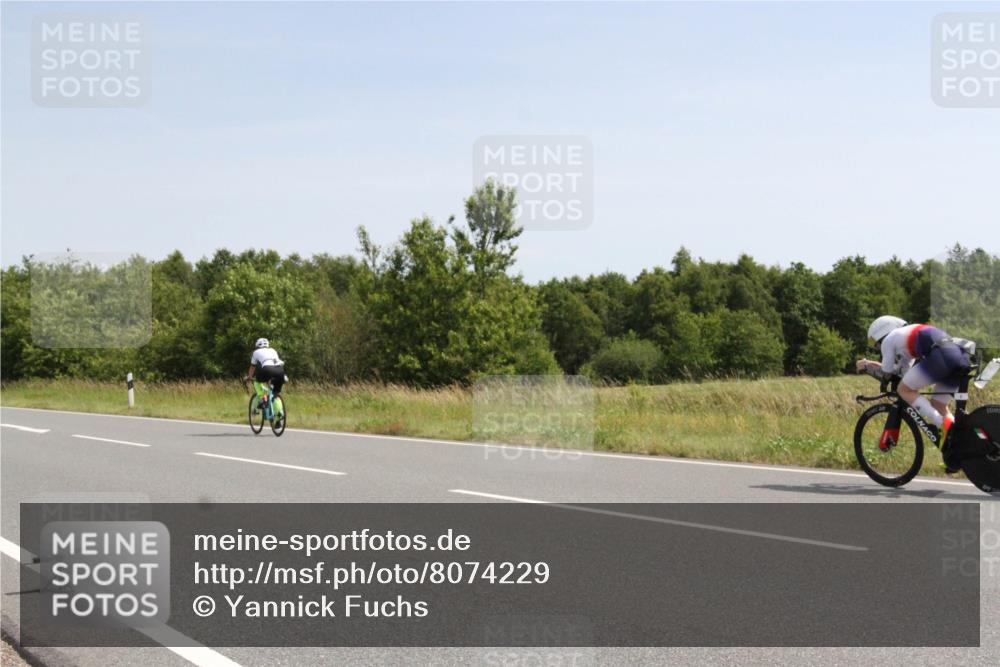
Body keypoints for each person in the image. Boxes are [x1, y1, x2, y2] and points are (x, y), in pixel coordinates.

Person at [856, 316, 972, 445]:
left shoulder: (889, 339)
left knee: (903, 390)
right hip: (959, 356)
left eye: (874, 343)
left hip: (942, 356)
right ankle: (957, 444)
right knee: (939, 405)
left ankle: (942, 423)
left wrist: (868, 365)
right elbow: (902, 372)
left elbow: (887, 371)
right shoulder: (906, 339)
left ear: (881, 333)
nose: (876, 347)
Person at [246, 338, 286, 415]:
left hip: (267, 369)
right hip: (280, 371)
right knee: (275, 395)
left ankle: (263, 399)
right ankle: (279, 415)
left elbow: (253, 366)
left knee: (256, 381)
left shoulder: (256, 352)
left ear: (257, 345)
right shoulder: (273, 350)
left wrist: (249, 377)